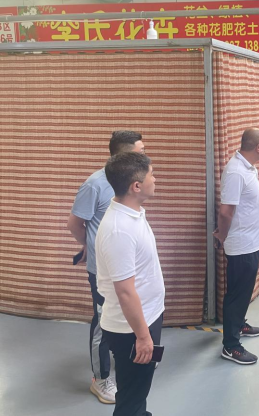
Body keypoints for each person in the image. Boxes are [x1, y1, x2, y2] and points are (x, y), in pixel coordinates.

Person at [67, 130, 145, 404]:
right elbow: (75, 224)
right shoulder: (94, 184)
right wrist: (89, 246)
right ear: (124, 155)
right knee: (103, 321)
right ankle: (100, 379)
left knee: (130, 312)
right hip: (103, 271)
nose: (145, 156)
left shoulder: (135, 182)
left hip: (130, 266)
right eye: (140, 151)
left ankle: (135, 357)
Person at [97, 152, 165, 416]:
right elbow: (125, 292)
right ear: (136, 186)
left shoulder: (132, 213)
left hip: (147, 316)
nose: (155, 179)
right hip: (132, 329)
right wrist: (143, 337)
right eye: (151, 175)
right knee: (131, 399)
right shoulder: (119, 229)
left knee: (139, 388)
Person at [214, 129, 259, 365]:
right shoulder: (236, 171)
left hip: (251, 242)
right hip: (241, 245)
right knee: (237, 294)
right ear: (258, 147)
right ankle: (231, 346)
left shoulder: (248, 168)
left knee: (244, 291)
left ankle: (239, 324)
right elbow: (226, 211)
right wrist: (221, 235)